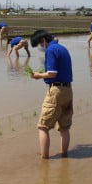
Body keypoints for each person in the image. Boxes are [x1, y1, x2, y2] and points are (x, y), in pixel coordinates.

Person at [30, 29, 73, 159]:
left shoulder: (51, 50)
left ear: (43, 40)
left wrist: (38, 75)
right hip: (68, 91)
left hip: (56, 91)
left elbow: (52, 73)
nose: (40, 47)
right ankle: (64, 155)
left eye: (39, 44)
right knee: (64, 128)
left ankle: (44, 160)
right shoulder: (62, 48)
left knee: (43, 127)